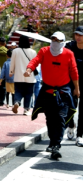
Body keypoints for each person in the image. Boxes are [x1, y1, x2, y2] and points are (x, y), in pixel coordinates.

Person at [27, 32, 80, 160]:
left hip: (63, 92)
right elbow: (35, 60)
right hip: (48, 90)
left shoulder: (69, 54)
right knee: (50, 119)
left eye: (58, 40)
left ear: (63, 42)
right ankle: (52, 142)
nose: (55, 43)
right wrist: (29, 69)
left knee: (61, 118)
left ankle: (56, 144)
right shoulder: (44, 51)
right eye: (53, 40)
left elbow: (74, 72)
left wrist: (77, 89)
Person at [9, 35, 36, 116]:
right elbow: (35, 64)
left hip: (18, 76)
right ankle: (26, 109)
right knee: (28, 94)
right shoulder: (33, 52)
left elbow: (12, 62)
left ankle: (17, 102)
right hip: (30, 77)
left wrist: (11, 72)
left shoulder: (15, 51)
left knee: (18, 91)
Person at [65, 26, 83, 146]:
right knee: (71, 106)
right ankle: (71, 124)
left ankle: (80, 135)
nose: (78, 37)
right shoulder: (70, 46)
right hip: (71, 81)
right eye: (76, 34)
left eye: (80, 35)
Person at [0, 38, 9, 107]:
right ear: (5, 43)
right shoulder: (7, 52)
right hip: (4, 71)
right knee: (3, 87)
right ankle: (1, 102)